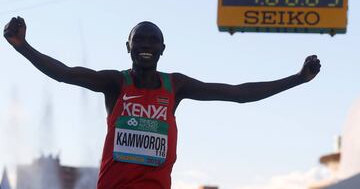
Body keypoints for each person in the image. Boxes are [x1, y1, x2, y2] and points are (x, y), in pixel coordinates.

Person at [4, 16, 321, 189]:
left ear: (162, 48)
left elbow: (238, 93)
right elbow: (65, 74)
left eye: (152, 40)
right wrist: (23, 46)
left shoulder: (175, 86)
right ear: (128, 46)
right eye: (139, 39)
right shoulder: (116, 83)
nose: (145, 45)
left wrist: (298, 78)